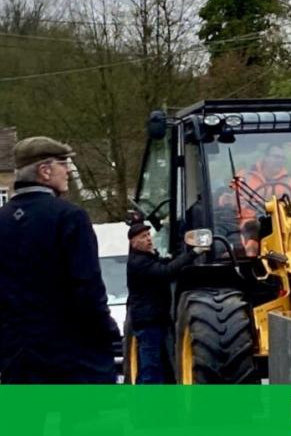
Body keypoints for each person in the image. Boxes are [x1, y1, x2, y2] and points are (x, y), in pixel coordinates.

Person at [0, 136, 120, 384]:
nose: (68, 171)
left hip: (17, 354)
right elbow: (87, 286)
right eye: (63, 164)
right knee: (79, 421)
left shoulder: (2, 221)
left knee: (24, 423)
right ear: (45, 171)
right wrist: (105, 329)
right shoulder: (69, 217)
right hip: (71, 353)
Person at [126, 222, 204, 384]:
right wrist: (193, 254)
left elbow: (168, 264)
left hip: (158, 320)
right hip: (148, 323)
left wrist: (186, 254)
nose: (148, 239)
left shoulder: (149, 258)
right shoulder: (139, 263)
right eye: (143, 237)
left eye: (148, 235)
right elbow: (165, 272)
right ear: (133, 243)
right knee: (151, 369)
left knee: (164, 367)